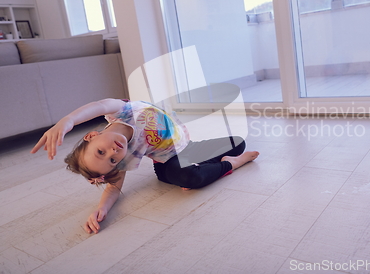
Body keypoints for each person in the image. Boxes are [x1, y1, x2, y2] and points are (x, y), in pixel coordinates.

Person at [31, 98, 259, 234]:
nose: (113, 152)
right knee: (189, 178)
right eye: (111, 160)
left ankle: (204, 165)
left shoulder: (120, 111)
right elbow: (114, 188)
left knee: (238, 142)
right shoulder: (125, 156)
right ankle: (231, 165)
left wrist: (67, 121)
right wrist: (103, 208)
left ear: (92, 135)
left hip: (188, 145)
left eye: (101, 151)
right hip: (169, 160)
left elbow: (98, 105)